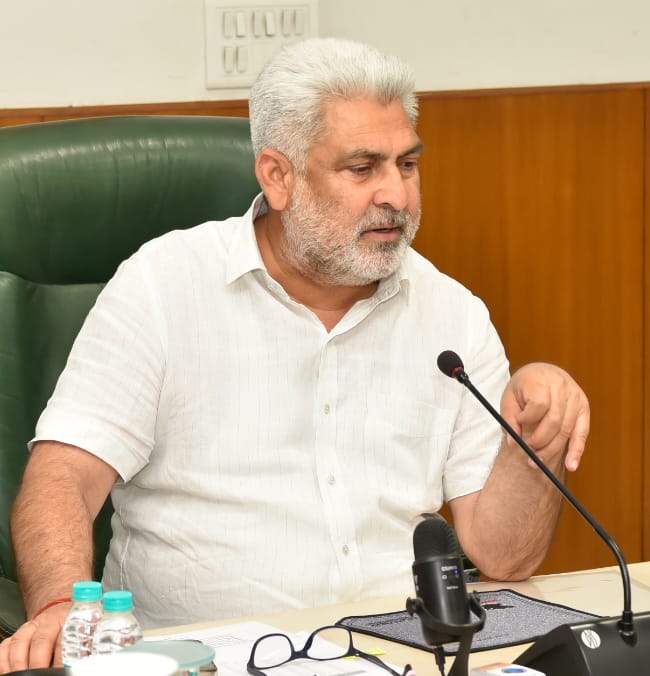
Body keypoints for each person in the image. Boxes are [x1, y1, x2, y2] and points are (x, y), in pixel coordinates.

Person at [0, 37, 589, 672]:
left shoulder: (453, 315)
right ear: (278, 177)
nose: (397, 195)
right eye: (362, 169)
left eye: (408, 164)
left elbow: (504, 557)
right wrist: (60, 608)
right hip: (204, 658)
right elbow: (62, 479)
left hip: (400, 656)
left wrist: (535, 441)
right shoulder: (162, 286)